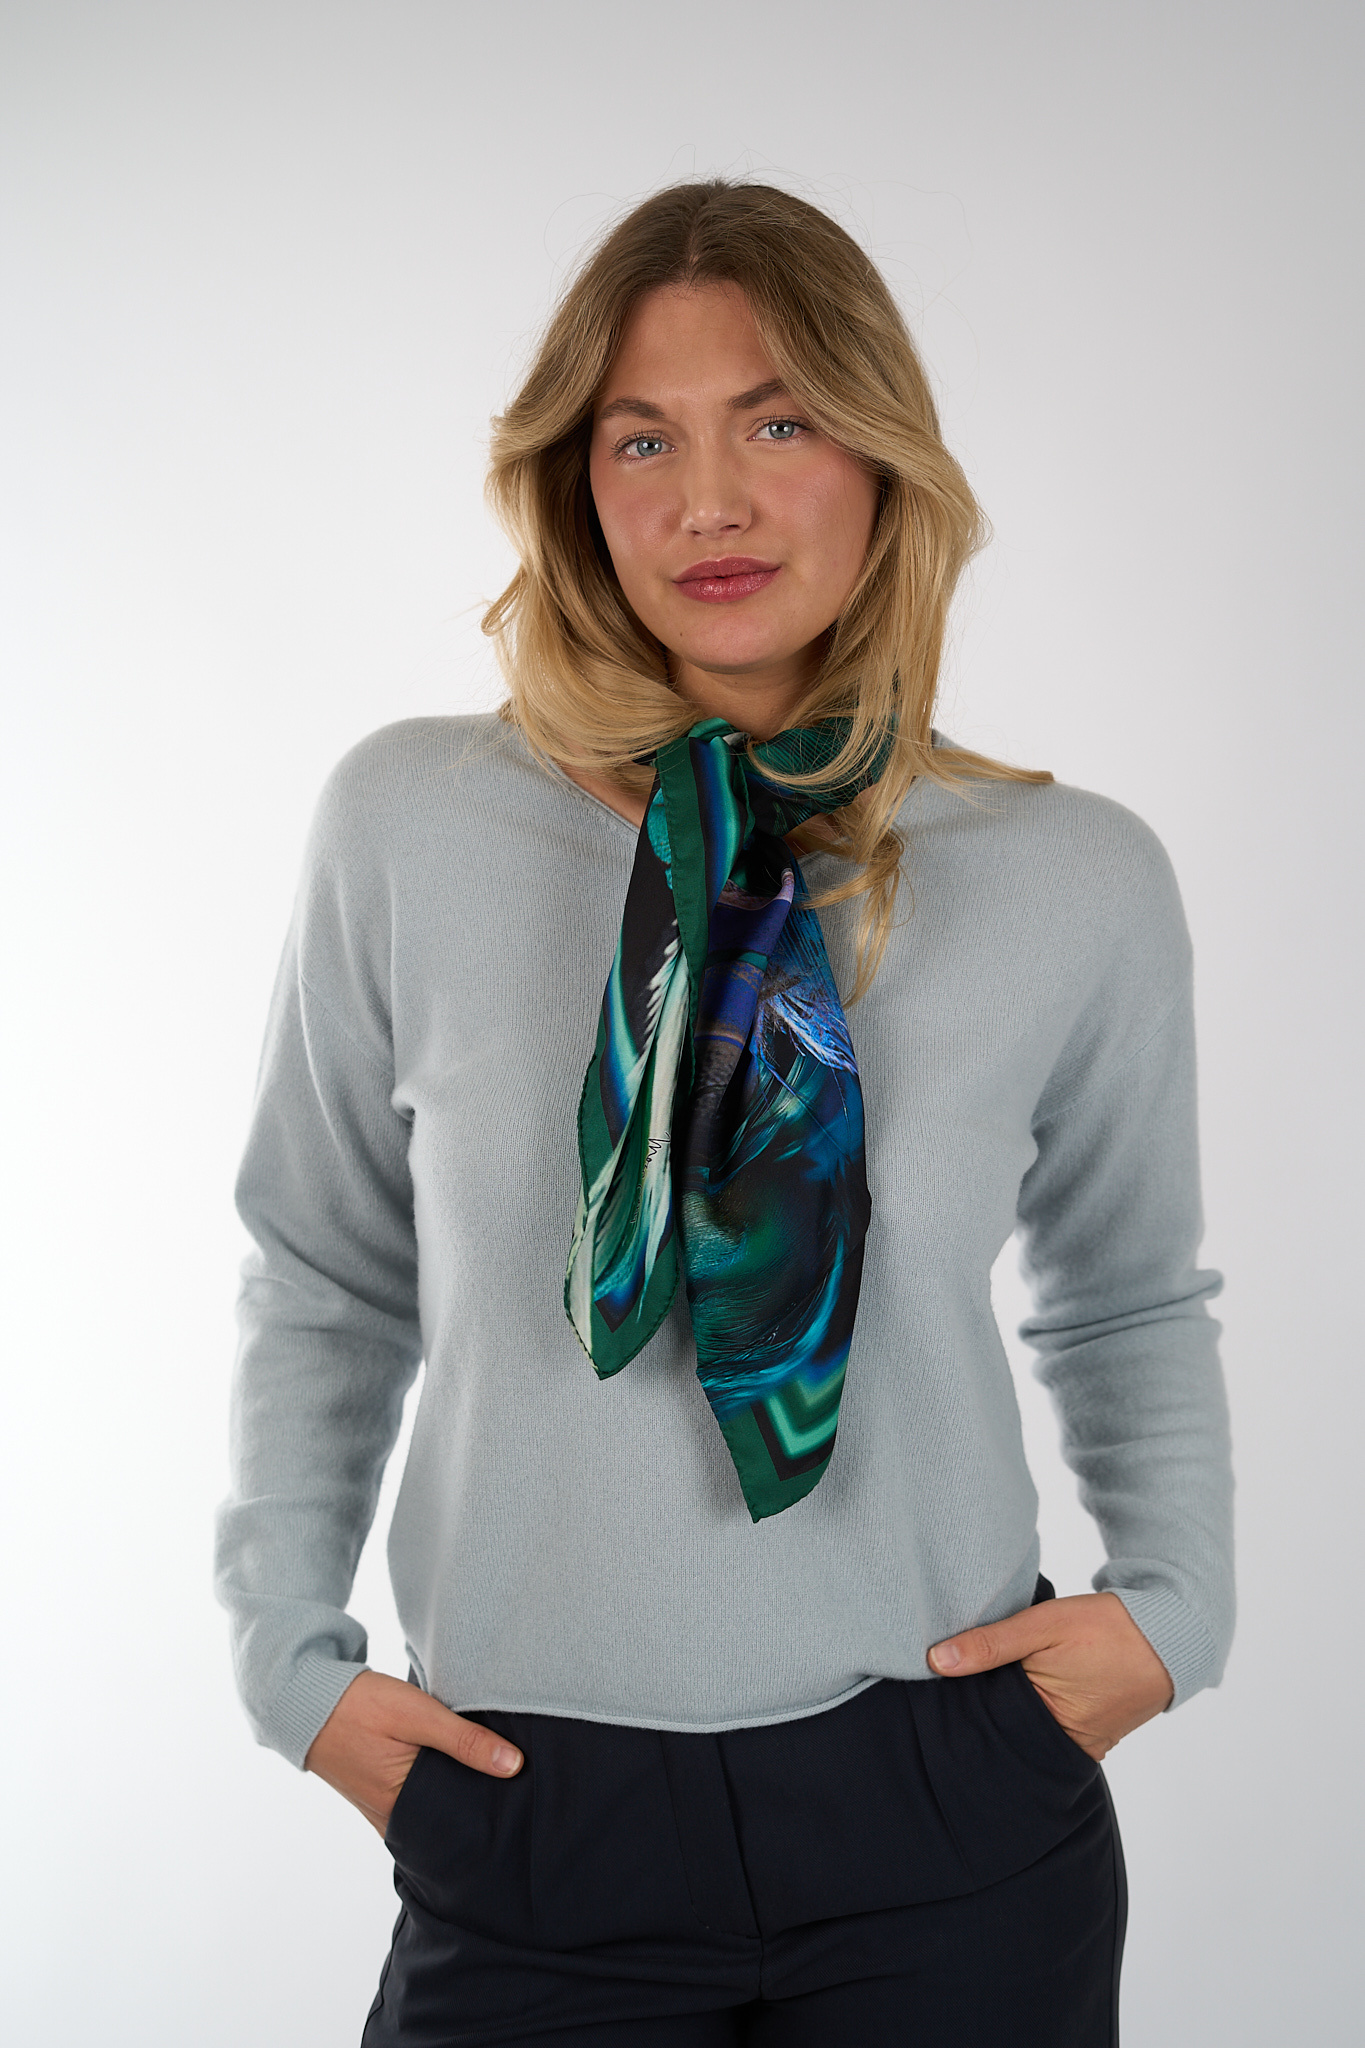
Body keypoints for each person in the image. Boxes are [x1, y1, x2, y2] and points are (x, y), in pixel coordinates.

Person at [215, 180, 1233, 2046]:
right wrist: (290, 1665)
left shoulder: (1073, 875)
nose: (709, 502)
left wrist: (1172, 1612)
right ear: (572, 485)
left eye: (776, 423)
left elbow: (1123, 1298)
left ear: (881, 460)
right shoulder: (406, 823)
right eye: (641, 438)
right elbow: (324, 1272)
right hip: (527, 1807)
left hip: (946, 1794)